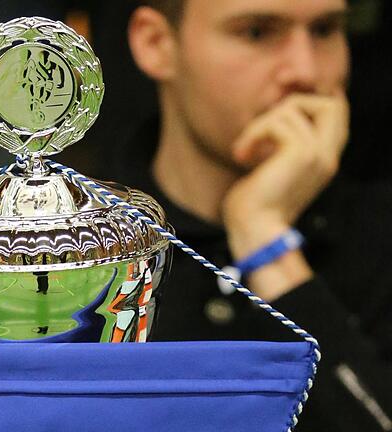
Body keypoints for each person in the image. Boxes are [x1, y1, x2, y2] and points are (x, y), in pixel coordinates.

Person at [120, 0, 392, 430]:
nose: (304, 71)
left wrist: (264, 235)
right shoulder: (81, 243)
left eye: (324, 30)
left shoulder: (379, 235)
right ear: (156, 44)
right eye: (257, 33)